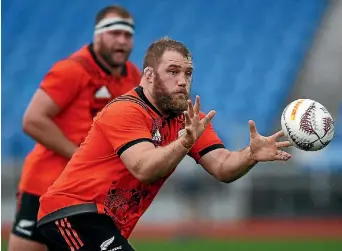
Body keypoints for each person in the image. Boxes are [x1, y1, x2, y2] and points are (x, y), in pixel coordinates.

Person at [36, 37, 292, 251]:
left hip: (105, 224)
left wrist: (251, 154)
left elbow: (223, 166)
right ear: (148, 75)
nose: (183, 80)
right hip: (72, 213)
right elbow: (143, 167)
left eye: (188, 73)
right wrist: (184, 142)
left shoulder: (190, 121)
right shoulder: (126, 110)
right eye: (173, 71)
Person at [9, 5, 140, 251]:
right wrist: (83, 159)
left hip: (87, 193)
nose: (122, 41)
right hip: (44, 185)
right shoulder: (72, 70)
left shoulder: (132, 76)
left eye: (128, 35)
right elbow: (33, 120)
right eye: (114, 33)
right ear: (98, 34)